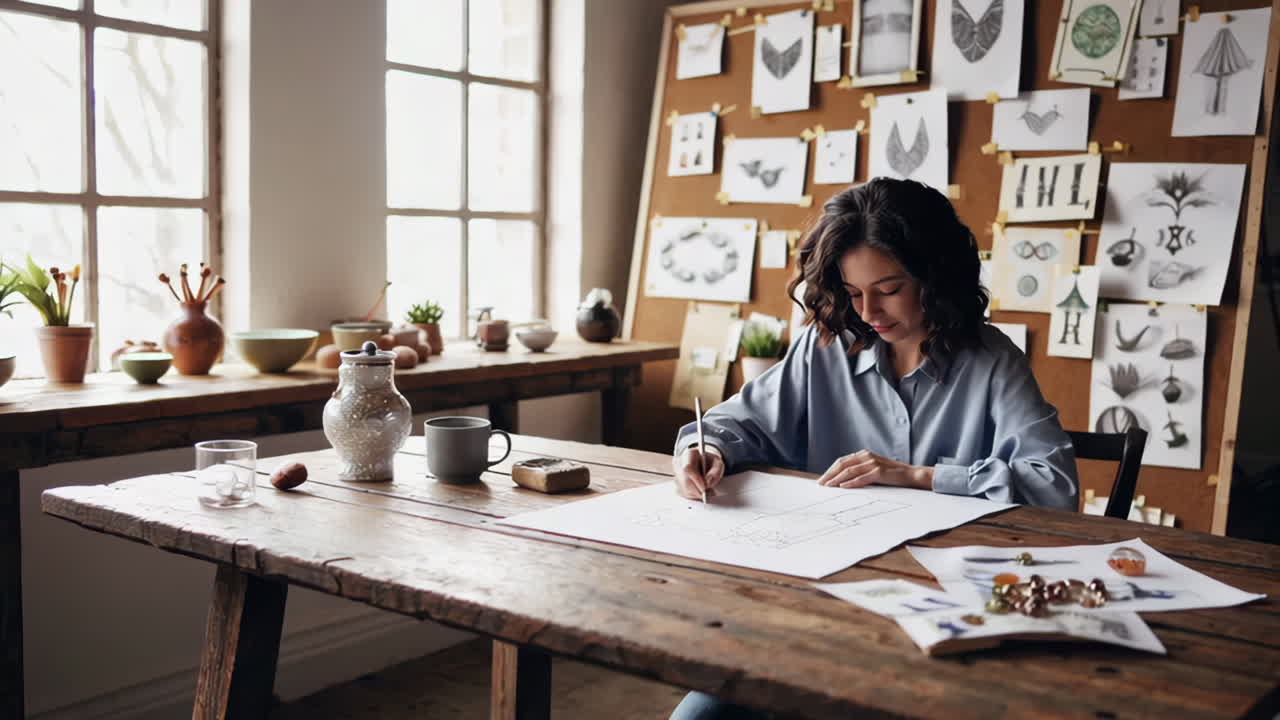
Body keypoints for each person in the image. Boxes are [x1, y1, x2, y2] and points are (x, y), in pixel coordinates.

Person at [667, 178, 1079, 719]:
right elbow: (734, 422)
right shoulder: (825, 348)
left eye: (888, 289)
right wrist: (706, 448)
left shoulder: (991, 360)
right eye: (853, 292)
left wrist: (919, 476)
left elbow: (1054, 486)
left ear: (936, 276)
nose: (868, 311)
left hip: (943, 611)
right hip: (820, 600)